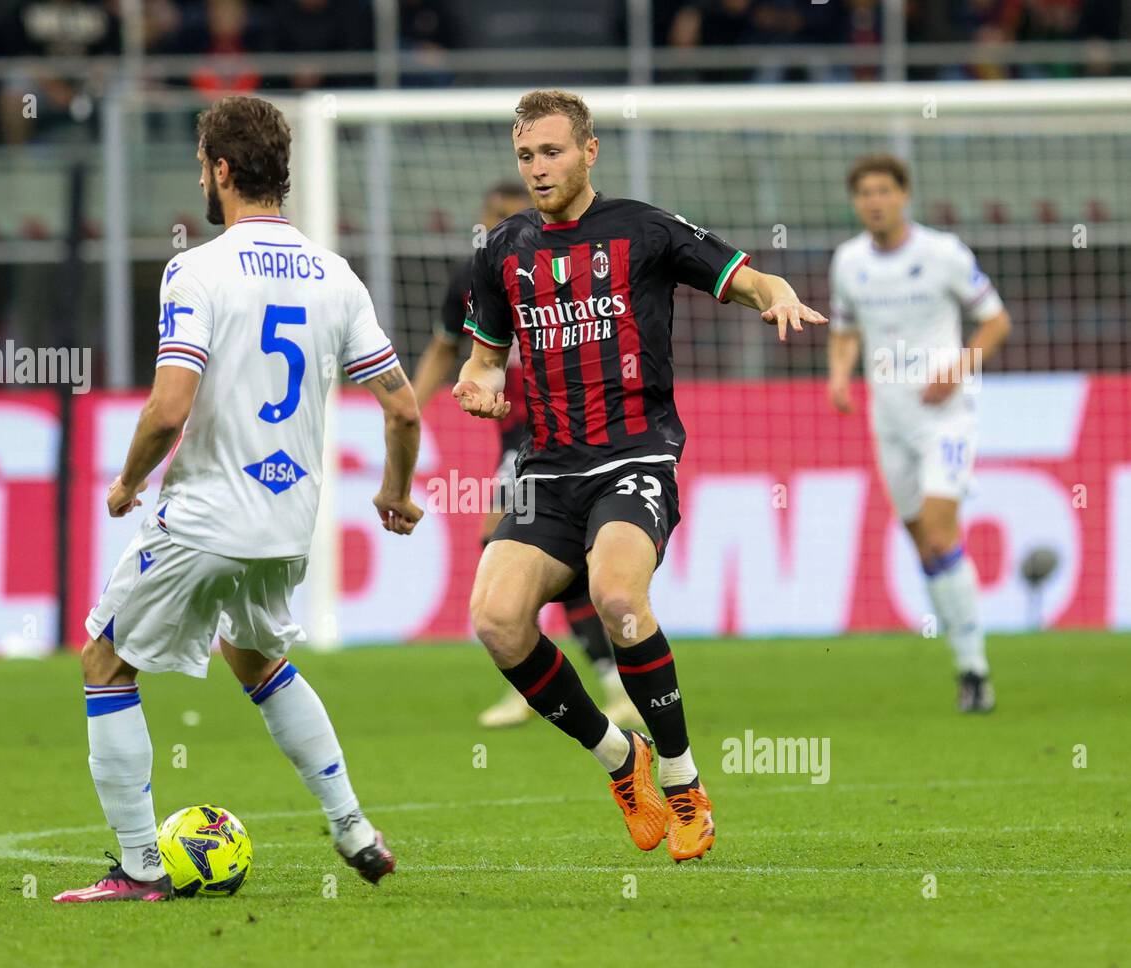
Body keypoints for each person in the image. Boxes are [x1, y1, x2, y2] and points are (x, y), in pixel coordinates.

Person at [55, 96, 423, 902]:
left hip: (206, 516)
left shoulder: (197, 270)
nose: (201, 179)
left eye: (202, 166)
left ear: (220, 169)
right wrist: (395, 492)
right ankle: (354, 827)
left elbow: (169, 409)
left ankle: (139, 868)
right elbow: (403, 408)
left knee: (105, 661)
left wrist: (127, 481)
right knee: (255, 658)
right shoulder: (335, 274)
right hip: (288, 528)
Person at [454, 90, 825, 862]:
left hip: (634, 456)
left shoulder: (644, 230)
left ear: (589, 152)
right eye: (526, 156)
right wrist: (478, 382)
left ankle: (683, 780)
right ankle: (623, 760)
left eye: (552, 151)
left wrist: (778, 293)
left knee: (618, 597)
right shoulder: (502, 250)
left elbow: (746, 278)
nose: (538, 168)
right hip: (549, 468)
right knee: (495, 619)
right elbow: (486, 357)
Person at [413, 180, 642, 730]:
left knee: (508, 542)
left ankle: (556, 679)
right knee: (518, 546)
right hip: (518, 439)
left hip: (561, 435)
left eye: (511, 215)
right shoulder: (472, 279)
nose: (502, 225)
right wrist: (409, 411)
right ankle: (571, 679)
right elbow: (445, 348)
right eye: (494, 215)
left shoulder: (565, 271)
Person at [828, 153, 1011, 712]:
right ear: (856, 201)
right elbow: (845, 329)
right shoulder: (848, 261)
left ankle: (976, 670)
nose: (875, 202)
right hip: (890, 418)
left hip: (945, 416)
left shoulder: (942, 253)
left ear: (904, 195)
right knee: (924, 545)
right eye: (865, 193)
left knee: (937, 533)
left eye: (884, 190)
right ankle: (965, 663)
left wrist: (958, 368)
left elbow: (996, 320)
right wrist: (839, 376)